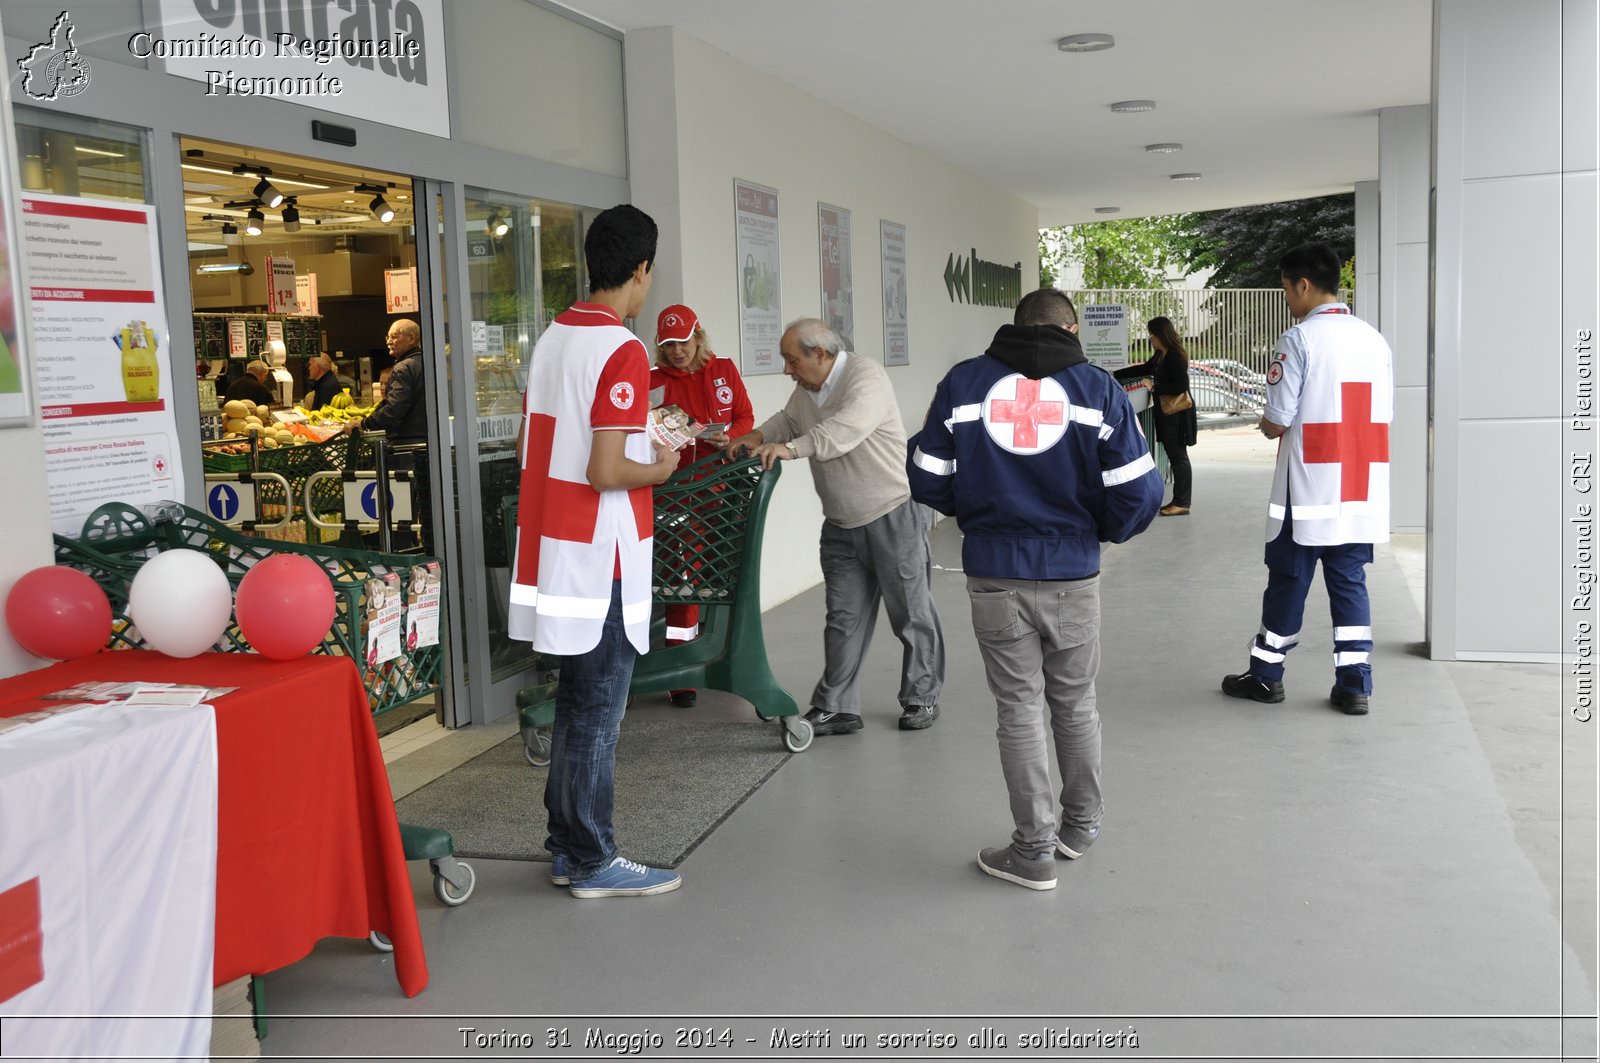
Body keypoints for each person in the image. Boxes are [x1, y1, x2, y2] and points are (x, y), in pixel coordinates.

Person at [906, 288, 1163, 890]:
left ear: (1014, 326)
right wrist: (1095, 532)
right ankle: (1081, 827)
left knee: (1018, 708)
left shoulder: (964, 382)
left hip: (996, 573)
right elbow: (1142, 492)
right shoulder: (1099, 389)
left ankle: (1032, 853)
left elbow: (926, 474)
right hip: (1073, 573)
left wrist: (978, 512)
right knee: (1074, 703)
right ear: (1070, 328)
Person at [507, 203, 683, 898]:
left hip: (556, 548)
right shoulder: (622, 347)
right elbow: (606, 470)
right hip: (600, 556)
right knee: (598, 710)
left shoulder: (554, 337)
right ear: (640, 270)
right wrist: (663, 467)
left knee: (579, 700)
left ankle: (566, 844)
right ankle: (591, 856)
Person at [727, 319, 944, 736]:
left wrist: (788, 450)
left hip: (891, 515)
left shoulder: (867, 379)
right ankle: (837, 706)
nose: (787, 370)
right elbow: (789, 421)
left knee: (912, 615)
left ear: (821, 355)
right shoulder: (808, 388)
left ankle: (921, 697)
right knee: (843, 619)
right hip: (841, 523)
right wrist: (755, 436)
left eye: (792, 360)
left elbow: (840, 433)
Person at [1220, 243, 1393, 716]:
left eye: (1285, 287)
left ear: (1302, 284)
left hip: (1309, 485)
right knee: (1350, 581)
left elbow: (1278, 419)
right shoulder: (1374, 340)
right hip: (1359, 485)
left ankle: (1265, 675)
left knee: (1289, 579)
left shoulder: (1299, 340)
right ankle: (1355, 685)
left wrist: (1266, 423)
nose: (1287, 297)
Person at [649, 303, 755, 708]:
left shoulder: (724, 370)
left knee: (729, 575)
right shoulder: (652, 379)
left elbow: (746, 416)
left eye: (684, 341)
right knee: (684, 577)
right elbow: (641, 428)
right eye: (669, 344)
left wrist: (729, 436)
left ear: (699, 336)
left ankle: (724, 654)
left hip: (725, 493)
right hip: (678, 494)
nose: (678, 350)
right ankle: (681, 672)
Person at [1114, 316, 1196, 515]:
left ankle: (1182, 502)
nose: (1149, 338)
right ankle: (1179, 500)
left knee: (1178, 457)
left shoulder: (1174, 356)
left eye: (1152, 334)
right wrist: (1114, 374)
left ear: (1161, 335)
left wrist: (1154, 387)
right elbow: (1143, 368)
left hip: (1176, 414)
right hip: (1167, 413)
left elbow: (1181, 385)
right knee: (1174, 455)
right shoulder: (1161, 355)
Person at [352, 320, 426, 444]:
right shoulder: (426, 361)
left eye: (394, 337)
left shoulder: (403, 367)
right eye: (388, 337)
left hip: (406, 441)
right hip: (425, 437)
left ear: (411, 338)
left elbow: (395, 408)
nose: (388, 342)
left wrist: (364, 423)